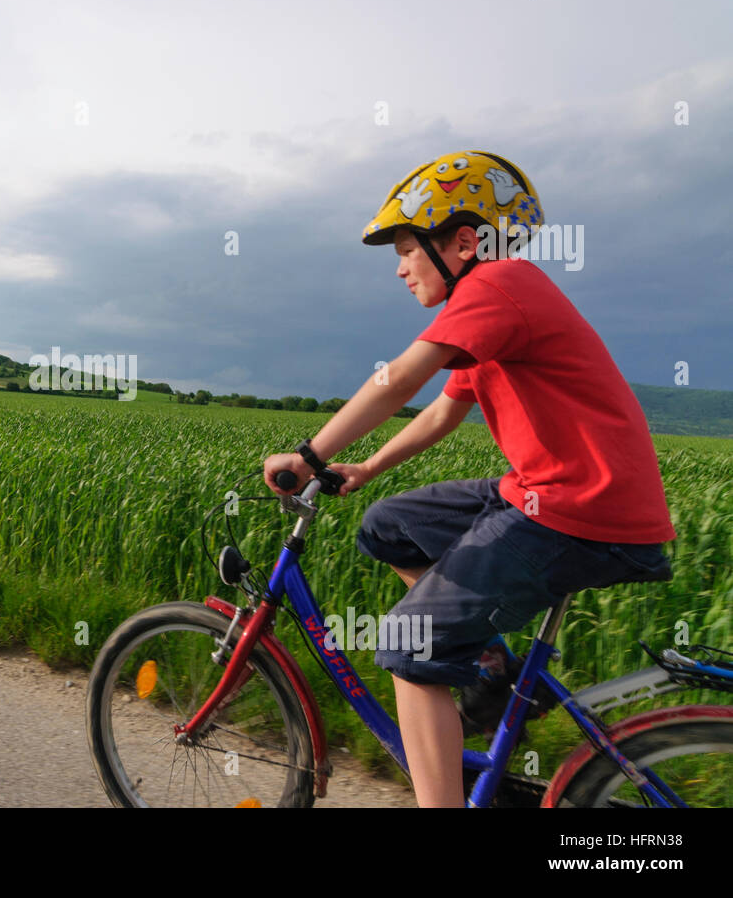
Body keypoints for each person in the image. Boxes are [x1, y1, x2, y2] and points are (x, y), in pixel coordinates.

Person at [262, 150, 675, 807]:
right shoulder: (489, 308)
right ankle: (494, 669)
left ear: (462, 241)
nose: (399, 269)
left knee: (406, 644)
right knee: (390, 525)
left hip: (578, 510)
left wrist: (308, 454)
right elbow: (443, 412)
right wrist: (365, 467)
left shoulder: (500, 283)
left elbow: (398, 378)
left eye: (407, 249)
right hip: (548, 492)